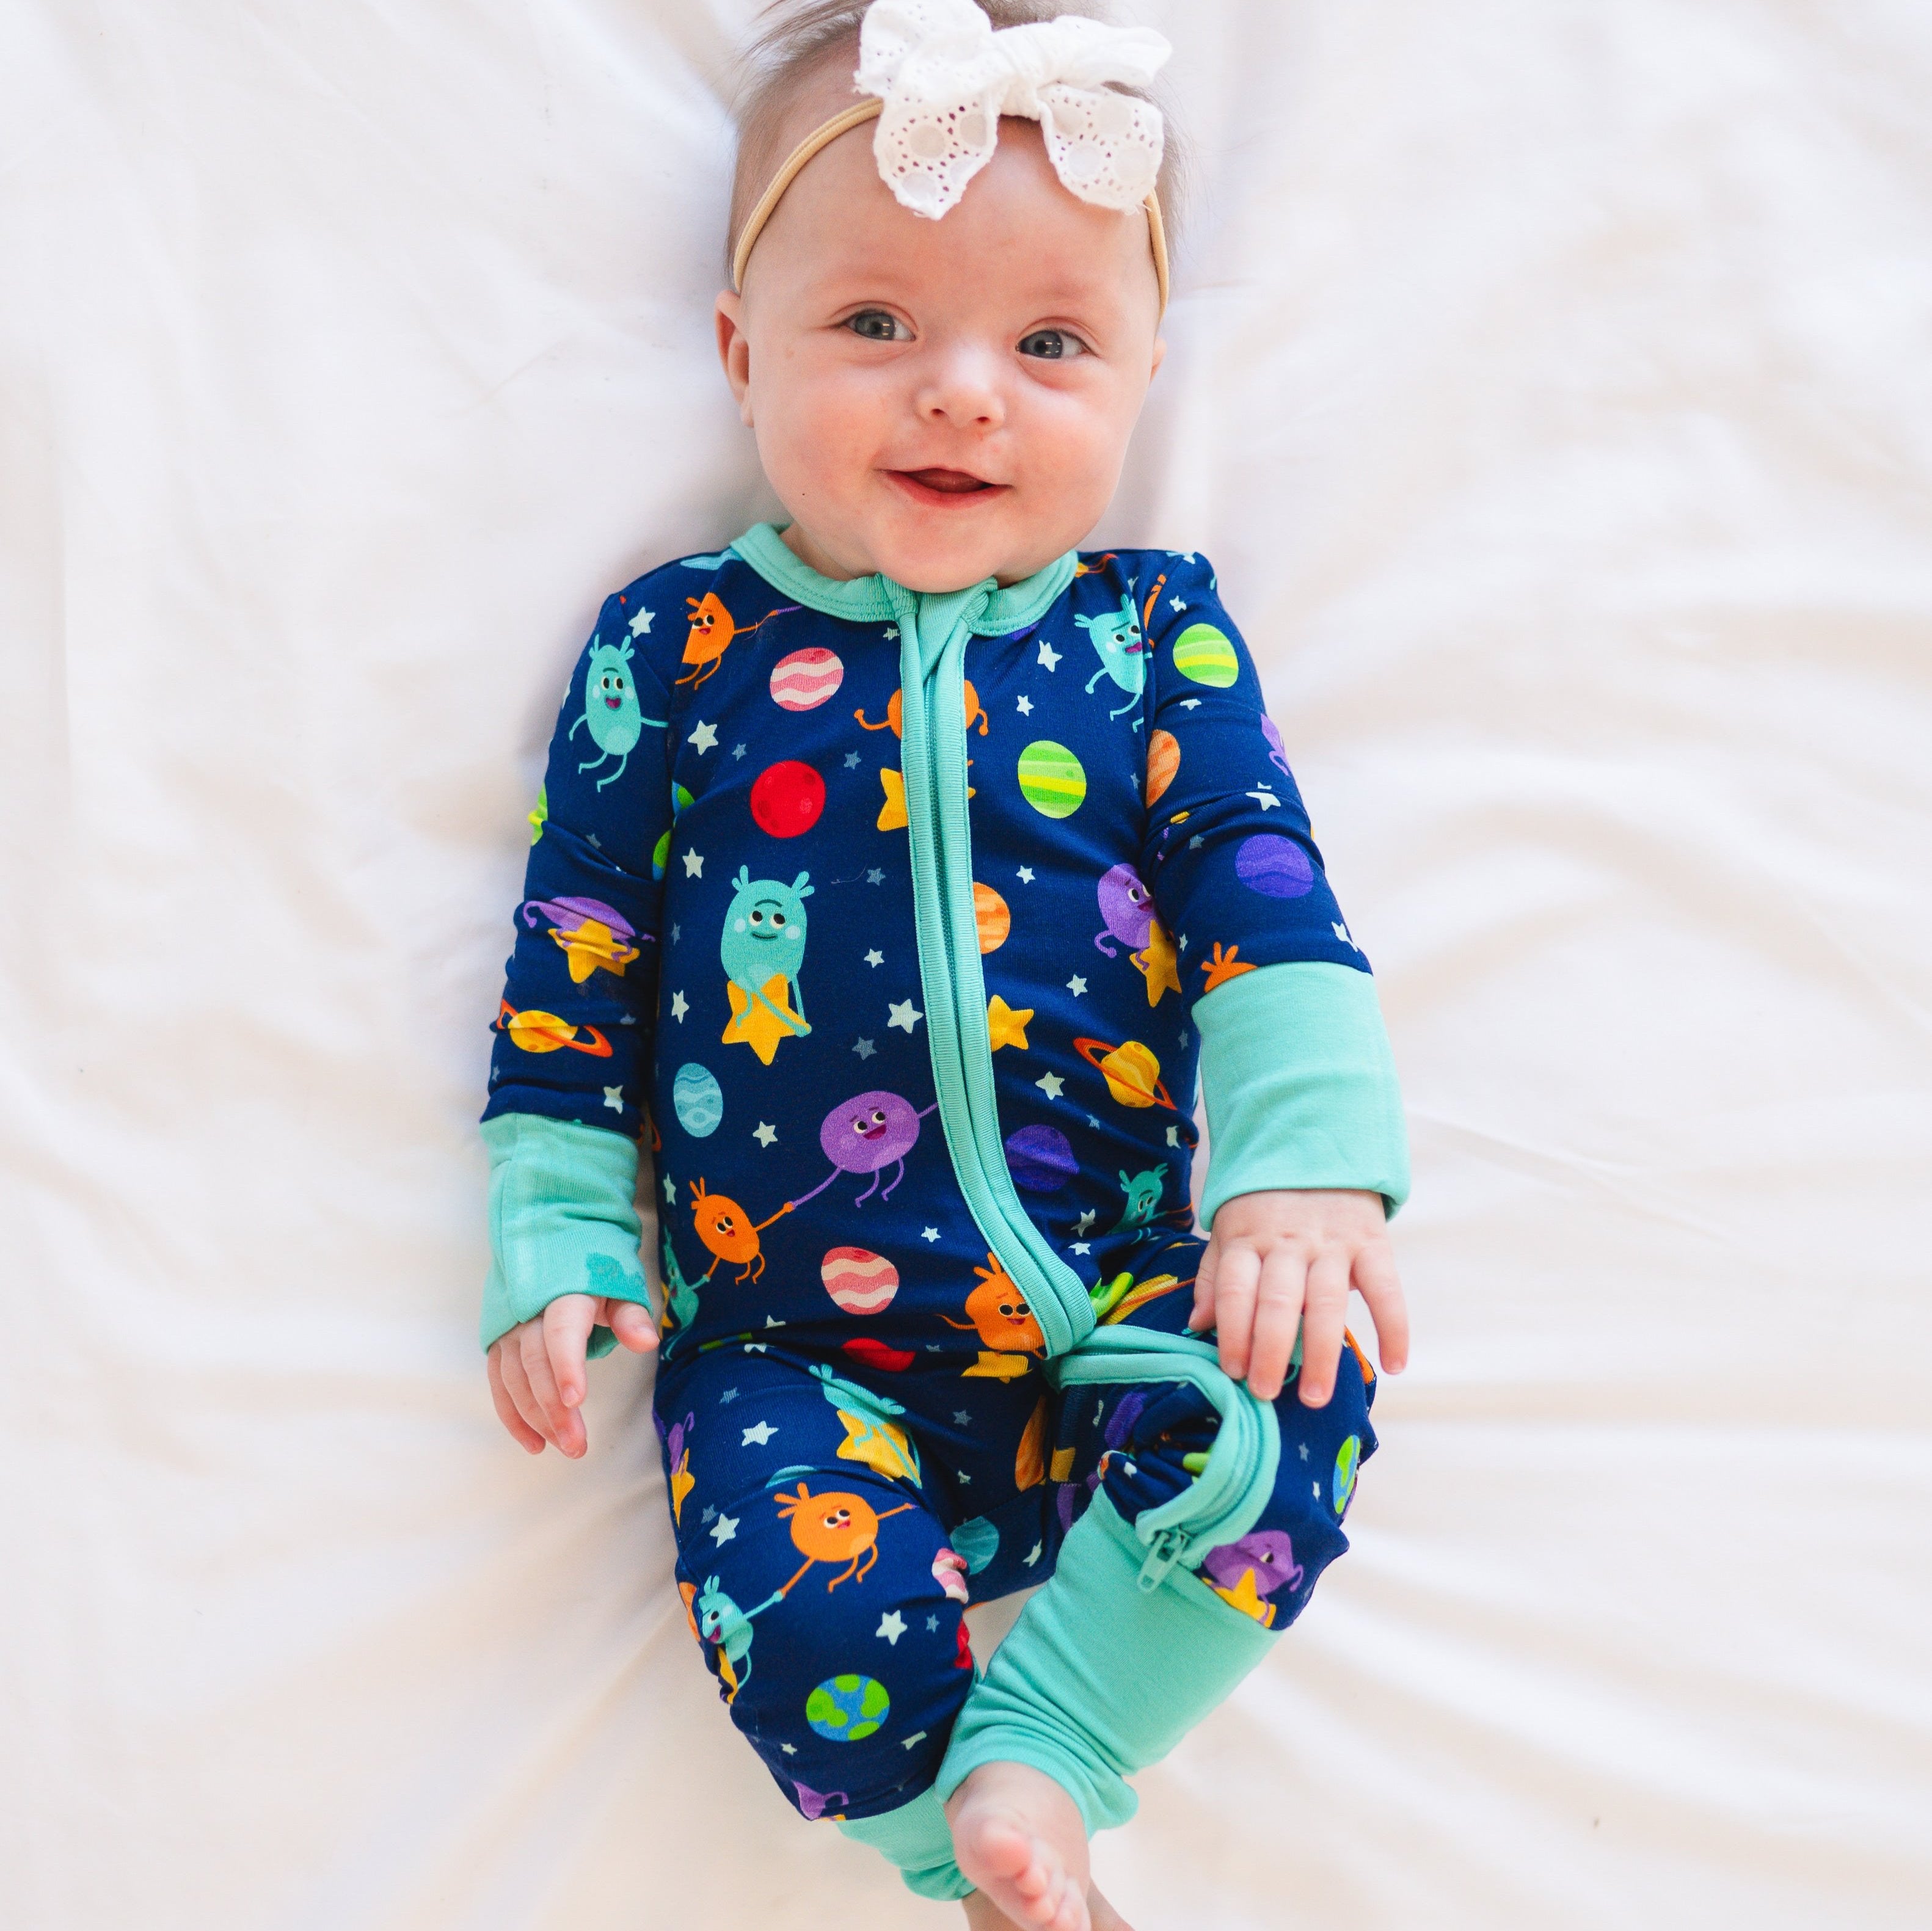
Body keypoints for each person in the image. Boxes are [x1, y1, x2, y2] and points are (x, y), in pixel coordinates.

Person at [479, 3, 1410, 1924]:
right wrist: (557, 1226)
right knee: (790, 1616)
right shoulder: (676, 650)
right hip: (787, 1348)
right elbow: (573, 956)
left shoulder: (1154, 636)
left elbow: (1265, 892)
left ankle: (1050, 1739)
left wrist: (1307, 1162)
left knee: (1293, 1390)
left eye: (1049, 343)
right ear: (743, 357)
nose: (962, 393)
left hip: (1118, 1300)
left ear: (1144, 378)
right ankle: (971, 1841)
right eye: (876, 327)